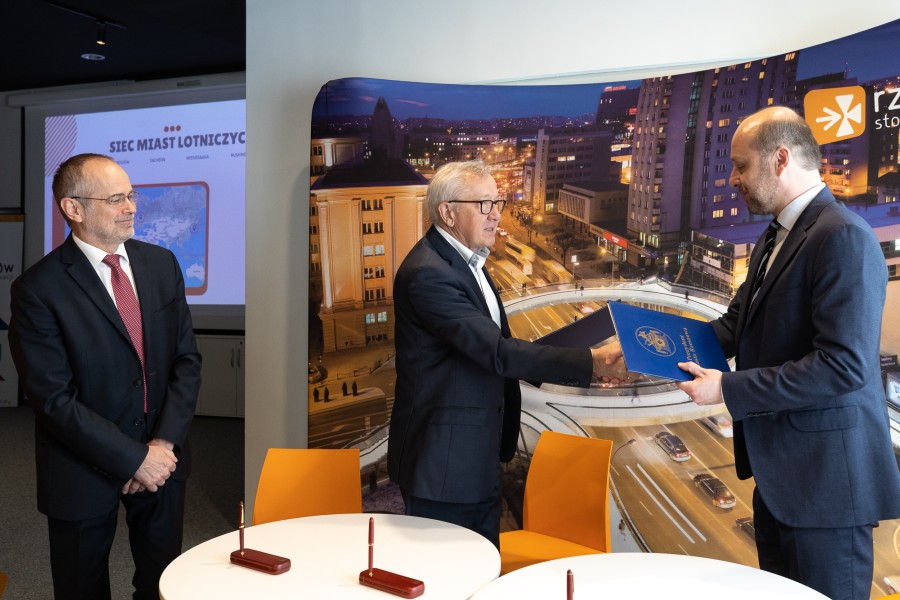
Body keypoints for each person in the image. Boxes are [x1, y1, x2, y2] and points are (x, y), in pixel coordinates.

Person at [676, 107, 900, 600]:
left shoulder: (842, 235)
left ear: (780, 159)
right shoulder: (775, 236)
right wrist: (652, 344)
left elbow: (843, 366)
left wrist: (727, 388)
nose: (733, 179)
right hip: (781, 484)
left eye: (741, 165)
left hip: (827, 489)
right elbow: (734, 327)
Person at [387, 160, 628, 549]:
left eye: (497, 202)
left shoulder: (468, 261)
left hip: (475, 457)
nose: (497, 213)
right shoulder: (428, 273)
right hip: (444, 466)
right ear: (448, 212)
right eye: (484, 204)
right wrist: (591, 362)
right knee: (451, 573)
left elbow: (490, 348)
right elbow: (496, 352)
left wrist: (580, 361)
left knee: (485, 567)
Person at [9, 153, 201, 600]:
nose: (131, 207)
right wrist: (133, 459)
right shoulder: (38, 289)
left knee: (163, 585)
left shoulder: (162, 264)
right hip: (81, 468)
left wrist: (161, 446)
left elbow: (186, 361)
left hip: (163, 462)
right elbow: (53, 398)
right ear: (73, 208)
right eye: (116, 199)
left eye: (131, 195)